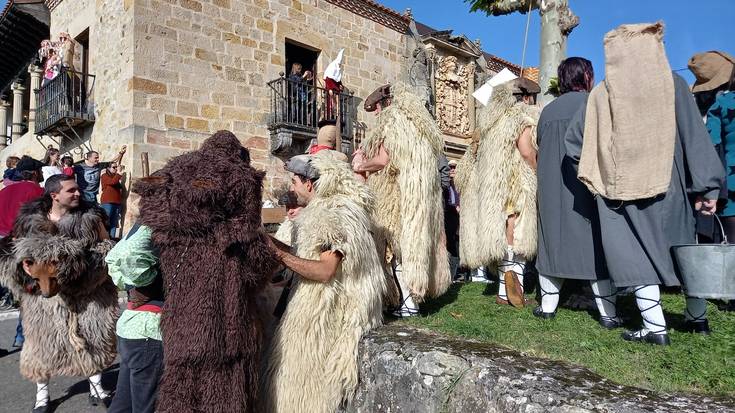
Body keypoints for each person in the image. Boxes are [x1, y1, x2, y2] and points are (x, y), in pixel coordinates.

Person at [565, 23, 726, 345]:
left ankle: (655, 327)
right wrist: (707, 187)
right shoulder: (674, 84)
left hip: (619, 193)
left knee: (635, 258)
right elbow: (693, 136)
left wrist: (601, 173)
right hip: (669, 189)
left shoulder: (602, 94)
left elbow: (575, 143)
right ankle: (697, 319)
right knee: (681, 252)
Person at [133, 130, 278, 412]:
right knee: (223, 393)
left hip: (180, 318)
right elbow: (252, 263)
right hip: (227, 321)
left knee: (181, 388)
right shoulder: (241, 177)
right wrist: (268, 260)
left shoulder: (173, 176)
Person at [264, 152, 386, 412]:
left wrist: (278, 253)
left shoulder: (334, 214)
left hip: (324, 324)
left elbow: (326, 271)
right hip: (318, 319)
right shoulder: (327, 211)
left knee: (305, 398)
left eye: (294, 182)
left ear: (309, 184)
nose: (292, 188)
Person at [0, 174, 118, 412]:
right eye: (71, 190)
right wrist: (24, 267)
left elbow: (107, 248)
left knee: (92, 340)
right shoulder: (30, 220)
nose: (77, 193)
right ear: (54, 195)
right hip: (43, 300)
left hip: (87, 294)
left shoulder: (90, 218)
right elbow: (13, 251)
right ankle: (42, 397)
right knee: (41, 346)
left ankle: (97, 389)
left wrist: (83, 269)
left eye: (77, 189)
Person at [533, 57, 620, 326]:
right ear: (587, 77)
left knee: (551, 246)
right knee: (593, 246)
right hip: (585, 187)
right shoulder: (594, 105)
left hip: (549, 190)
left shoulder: (547, 111)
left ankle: (547, 307)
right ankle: (608, 314)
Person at [355, 83, 450, 317]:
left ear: (384, 104)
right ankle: (409, 300)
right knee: (412, 247)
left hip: (396, 198)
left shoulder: (394, 122)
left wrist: (361, 164)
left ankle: (408, 303)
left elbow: (384, 159)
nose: (376, 115)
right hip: (419, 199)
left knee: (394, 249)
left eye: (376, 109)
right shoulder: (419, 128)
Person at [455, 78, 540, 308]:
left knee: (505, 234)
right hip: (515, 183)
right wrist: (537, 168)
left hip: (494, 188)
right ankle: (513, 290)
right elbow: (525, 151)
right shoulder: (518, 119)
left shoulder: (489, 123)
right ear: (525, 98)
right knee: (518, 234)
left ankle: (505, 291)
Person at [106, 197, 163, 413]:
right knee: (146, 407)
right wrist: (141, 284)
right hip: (150, 332)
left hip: (133, 329)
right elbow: (129, 255)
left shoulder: (138, 227)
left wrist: (128, 284)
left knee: (123, 405)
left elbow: (113, 258)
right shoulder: (154, 225)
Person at [100, 162, 124, 238]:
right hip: (108, 202)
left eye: (117, 167)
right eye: (114, 167)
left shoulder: (115, 177)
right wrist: (119, 173)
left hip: (116, 203)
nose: (116, 169)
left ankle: (112, 239)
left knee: (114, 223)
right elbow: (112, 182)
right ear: (108, 168)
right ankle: (103, 238)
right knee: (106, 221)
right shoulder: (104, 175)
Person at [324, 49, 344, 119]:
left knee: (336, 105)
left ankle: (335, 117)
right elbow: (328, 79)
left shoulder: (337, 70)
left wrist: (341, 87)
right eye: (338, 64)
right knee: (331, 104)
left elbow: (338, 80)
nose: (339, 65)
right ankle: (330, 117)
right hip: (331, 90)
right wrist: (329, 89)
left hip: (336, 91)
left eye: (340, 64)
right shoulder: (332, 68)